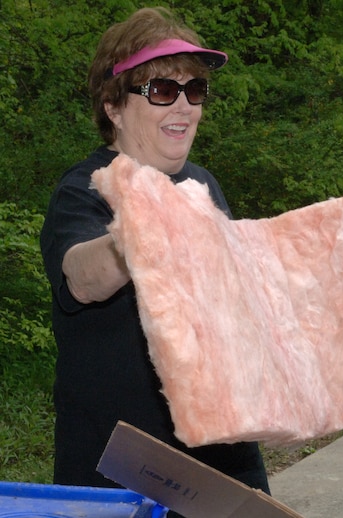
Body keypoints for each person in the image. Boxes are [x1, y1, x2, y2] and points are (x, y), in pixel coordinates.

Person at [40, 7, 270, 494]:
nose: (184, 107)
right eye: (163, 90)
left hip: (223, 461)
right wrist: (140, 229)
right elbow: (82, 278)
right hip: (124, 477)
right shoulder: (84, 190)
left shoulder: (202, 183)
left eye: (195, 90)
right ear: (114, 106)